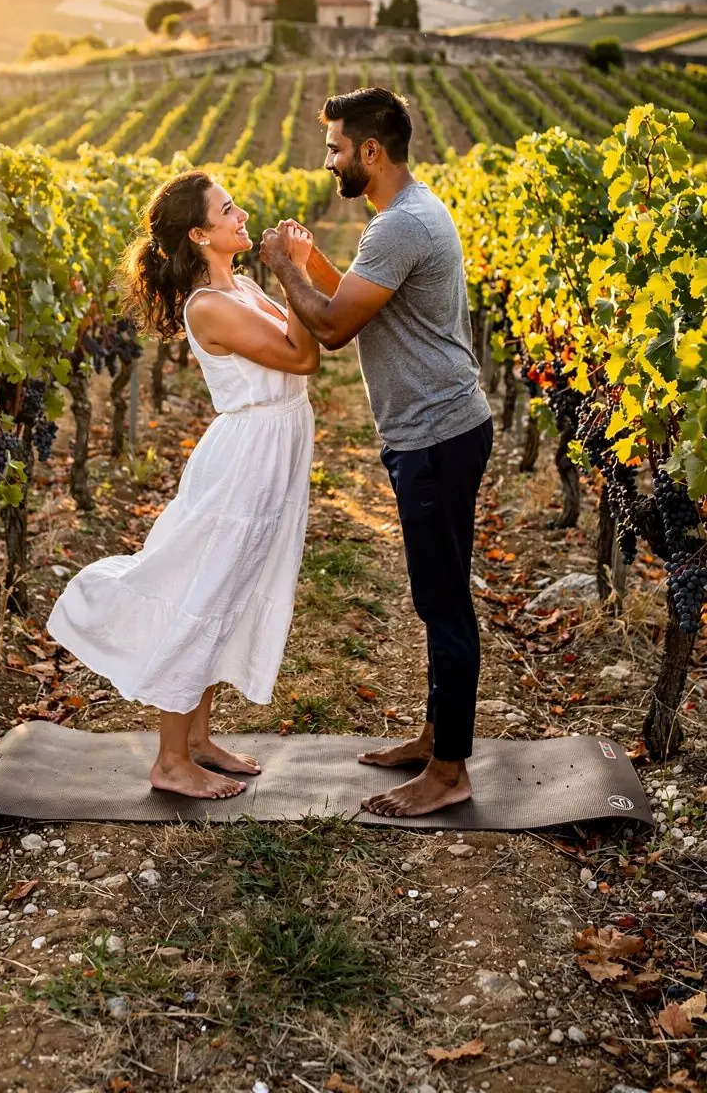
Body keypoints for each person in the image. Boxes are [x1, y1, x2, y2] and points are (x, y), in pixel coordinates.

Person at [48, 169, 318, 800]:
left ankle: (197, 740)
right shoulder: (212, 305)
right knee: (207, 590)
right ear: (200, 234)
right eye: (229, 210)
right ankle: (171, 759)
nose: (241, 213)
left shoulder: (242, 284)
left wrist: (291, 275)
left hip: (273, 449)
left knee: (234, 587)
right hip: (247, 457)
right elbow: (304, 356)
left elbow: (306, 342)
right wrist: (293, 273)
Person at [260, 87, 493, 818]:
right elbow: (360, 297)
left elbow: (331, 328)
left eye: (334, 148)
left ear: (370, 151)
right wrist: (311, 260)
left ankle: (450, 771)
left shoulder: (399, 226)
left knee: (444, 602)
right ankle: (434, 737)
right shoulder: (407, 214)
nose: (327, 161)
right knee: (436, 597)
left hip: (436, 436)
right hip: (436, 431)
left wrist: (281, 267)